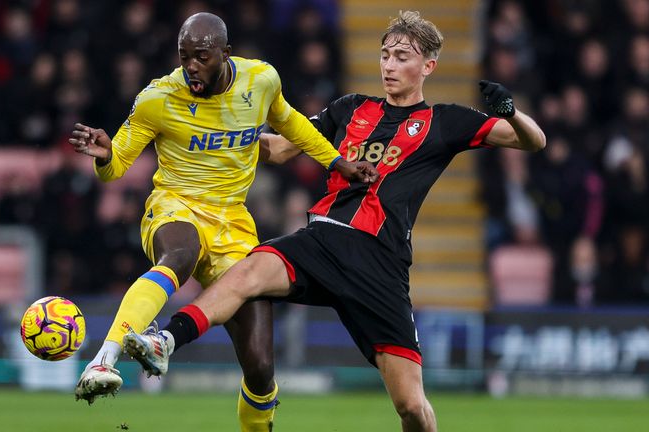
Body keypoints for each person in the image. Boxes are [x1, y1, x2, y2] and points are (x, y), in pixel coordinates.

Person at [126, 10, 546, 432]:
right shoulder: (350, 109)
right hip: (323, 239)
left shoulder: (446, 121)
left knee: (412, 407)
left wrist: (510, 112)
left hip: (380, 262)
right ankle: (166, 341)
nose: (389, 65)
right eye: (385, 55)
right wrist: (219, 131)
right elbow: (282, 147)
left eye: (402, 57)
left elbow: (533, 141)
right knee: (246, 271)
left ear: (428, 66)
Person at [68, 11, 377, 432]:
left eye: (201, 57)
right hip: (176, 204)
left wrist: (338, 163)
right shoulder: (157, 98)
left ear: (225, 54)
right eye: (184, 57)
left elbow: (291, 125)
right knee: (179, 255)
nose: (191, 66)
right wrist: (105, 157)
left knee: (261, 367)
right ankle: (103, 360)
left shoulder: (262, 80)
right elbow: (118, 161)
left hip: (233, 220)